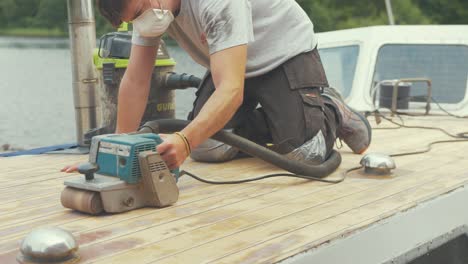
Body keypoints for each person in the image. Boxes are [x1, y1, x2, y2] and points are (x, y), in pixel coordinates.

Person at [62, 0, 371, 173]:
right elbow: (136, 79)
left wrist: (184, 140)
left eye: (140, 13)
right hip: (229, 64)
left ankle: (330, 108)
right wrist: (113, 154)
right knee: (208, 147)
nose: (141, 23)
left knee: (307, 153)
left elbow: (231, 91)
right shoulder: (152, 10)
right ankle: (282, 121)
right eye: (133, 21)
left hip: (284, 54)